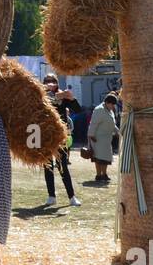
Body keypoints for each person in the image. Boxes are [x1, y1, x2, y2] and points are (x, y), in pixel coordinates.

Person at [42, 74, 81, 208]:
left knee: (62, 166)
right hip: (46, 134)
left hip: (60, 135)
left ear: (57, 83)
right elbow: (46, 99)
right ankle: (51, 196)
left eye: (52, 81)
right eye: (47, 81)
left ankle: (72, 197)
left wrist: (71, 97)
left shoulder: (62, 95)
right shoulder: (40, 96)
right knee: (47, 167)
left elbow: (78, 109)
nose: (50, 83)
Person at [87, 93, 120, 184]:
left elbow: (112, 124)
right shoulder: (99, 110)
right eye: (112, 104)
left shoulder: (110, 111)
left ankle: (104, 174)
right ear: (106, 102)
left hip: (107, 139)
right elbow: (93, 124)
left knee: (106, 158)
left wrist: (118, 132)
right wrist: (91, 135)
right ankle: (98, 175)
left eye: (114, 104)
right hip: (97, 138)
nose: (113, 106)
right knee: (98, 157)